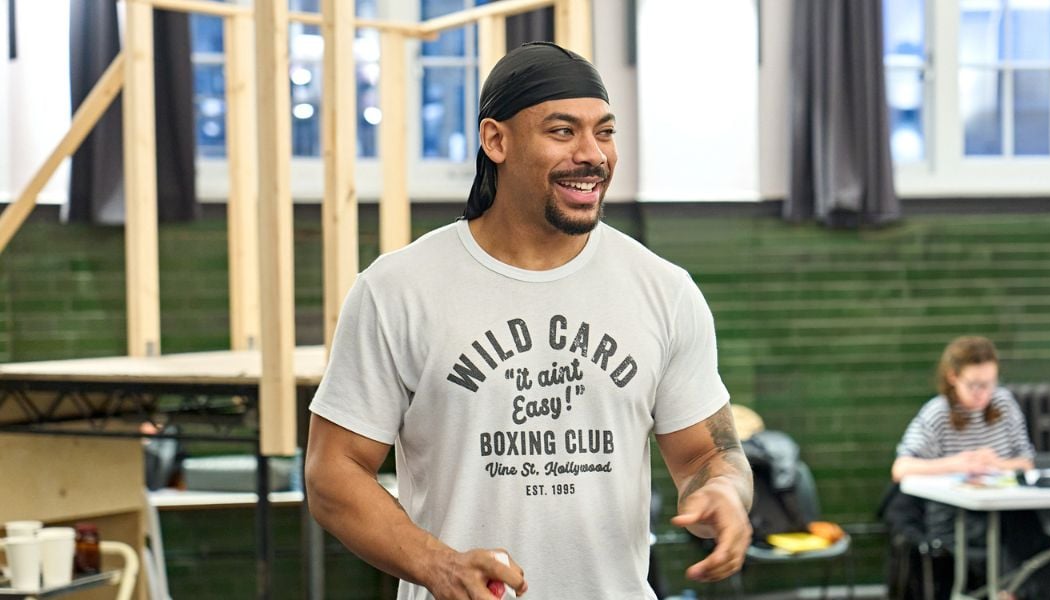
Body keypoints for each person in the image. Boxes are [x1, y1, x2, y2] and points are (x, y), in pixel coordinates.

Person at [305, 42, 753, 600]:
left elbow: (708, 454)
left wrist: (724, 492)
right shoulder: (398, 289)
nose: (593, 154)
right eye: (562, 132)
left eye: (605, 132)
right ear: (496, 140)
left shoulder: (664, 291)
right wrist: (438, 565)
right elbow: (333, 471)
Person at [891, 335, 1050, 600]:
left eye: (990, 383)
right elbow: (900, 468)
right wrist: (956, 463)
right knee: (995, 545)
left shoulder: (1004, 404)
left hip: (1005, 507)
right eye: (974, 385)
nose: (983, 392)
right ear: (953, 377)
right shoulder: (937, 413)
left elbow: (1025, 461)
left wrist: (997, 463)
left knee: (1042, 545)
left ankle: (1012, 593)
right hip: (955, 513)